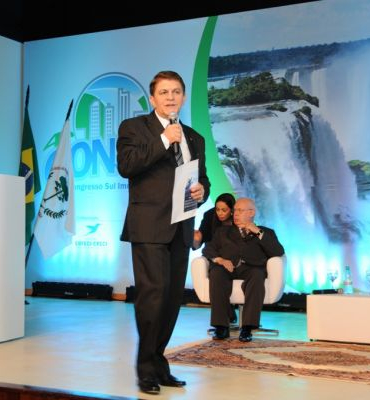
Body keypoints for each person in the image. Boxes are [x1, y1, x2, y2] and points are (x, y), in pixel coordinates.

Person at [117, 70, 210, 395]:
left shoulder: (195, 137)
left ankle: (159, 362)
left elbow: (203, 178)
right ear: (153, 98)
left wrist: (203, 191)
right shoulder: (134, 128)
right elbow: (127, 166)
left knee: (171, 301)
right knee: (152, 297)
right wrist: (164, 140)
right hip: (149, 226)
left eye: (176, 92)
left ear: (183, 96)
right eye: (164, 92)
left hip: (181, 227)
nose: (171, 97)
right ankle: (145, 369)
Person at [202, 197, 284, 342]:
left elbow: (278, 251)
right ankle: (221, 327)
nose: (235, 214)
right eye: (235, 211)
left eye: (240, 211)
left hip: (251, 268)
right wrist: (220, 260)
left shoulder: (266, 232)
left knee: (257, 275)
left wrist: (257, 231)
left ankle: (247, 327)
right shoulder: (223, 232)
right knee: (216, 273)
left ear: (251, 212)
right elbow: (208, 249)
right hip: (227, 267)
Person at [193, 192, 238, 323]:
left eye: (224, 210)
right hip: (216, 258)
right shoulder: (209, 216)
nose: (220, 213)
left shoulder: (238, 217)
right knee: (217, 273)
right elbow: (200, 243)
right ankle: (224, 319)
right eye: (217, 209)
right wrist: (196, 238)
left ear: (232, 210)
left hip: (236, 258)